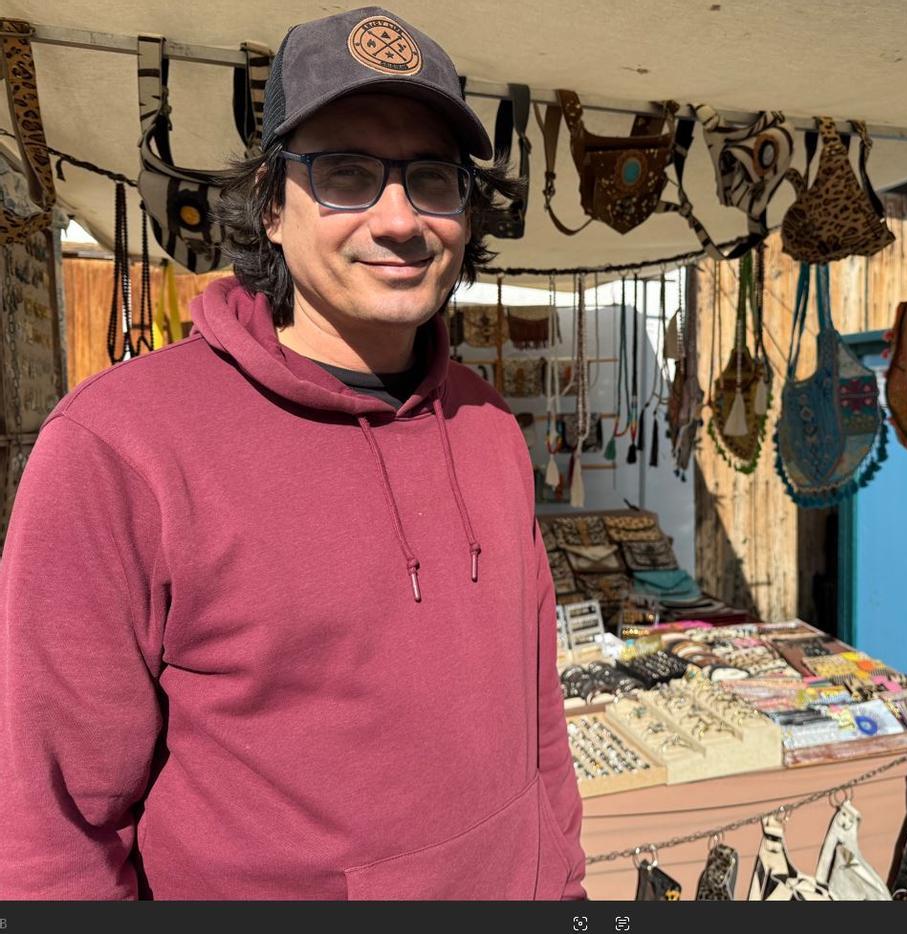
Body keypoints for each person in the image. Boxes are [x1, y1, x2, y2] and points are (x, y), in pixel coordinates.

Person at [0, 7, 586, 900]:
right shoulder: (120, 448)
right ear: (271, 206)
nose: (400, 221)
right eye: (346, 173)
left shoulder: (488, 426)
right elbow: (52, 831)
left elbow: (537, 723)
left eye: (432, 179)